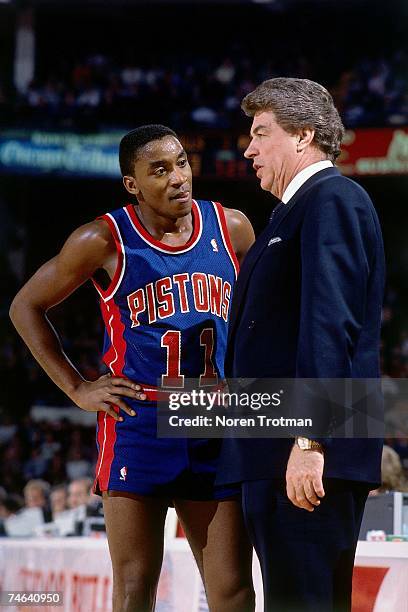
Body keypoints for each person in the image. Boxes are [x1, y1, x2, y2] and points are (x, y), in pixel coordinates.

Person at [10, 124, 255, 612]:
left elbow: (261, 315)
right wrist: (78, 388)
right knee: (134, 585)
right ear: (133, 184)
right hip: (138, 420)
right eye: (159, 170)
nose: (178, 177)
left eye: (181, 163)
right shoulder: (102, 238)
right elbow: (24, 307)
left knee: (232, 588)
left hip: (211, 416)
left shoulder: (232, 226)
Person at [216, 78, 385, 611]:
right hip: (276, 447)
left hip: (303, 452)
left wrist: (311, 442)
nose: (249, 149)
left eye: (261, 133)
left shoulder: (332, 198)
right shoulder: (294, 210)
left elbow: (328, 325)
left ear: (303, 134)